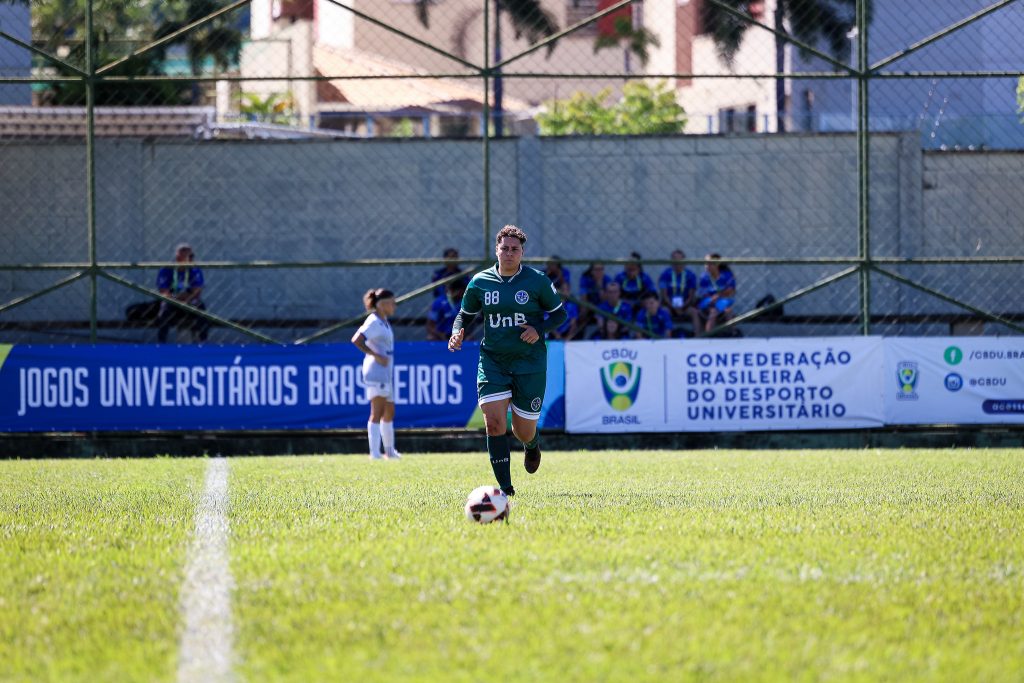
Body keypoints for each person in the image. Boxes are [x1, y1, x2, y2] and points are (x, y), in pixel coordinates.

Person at [449, 225, 567, 498]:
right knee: (493, 423)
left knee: (522, 431)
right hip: (493, 361)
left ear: (522, 252)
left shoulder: (537, 281)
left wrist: (538, 328)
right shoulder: (480, 282)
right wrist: (457, 332)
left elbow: (560, 315)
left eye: (515, 249)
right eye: (505, 248)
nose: (509, 253)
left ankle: (532, 444)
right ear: (496, 250)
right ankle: (505, 490)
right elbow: (463, 315)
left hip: (530, 363)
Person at [352, 288, 401, 460]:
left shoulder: (384, 321)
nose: (395, 305)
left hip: (385, 373)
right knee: (377, 412)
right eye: (392, 302)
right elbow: (357, 339)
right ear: (383, 304)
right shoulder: (373, 321)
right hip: (376, 372)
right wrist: (376, 355)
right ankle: (374, 453)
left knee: (389, 411)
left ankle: (389, 451)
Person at [156, 243, 209, 343]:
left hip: (189, 300)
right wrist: (176, 298)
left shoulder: (194, 269)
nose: (189, 258)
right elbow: (163, 291)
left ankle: (203, 341)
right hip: (172, 301)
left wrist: (187, 298)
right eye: (185, 255)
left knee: (202, 308)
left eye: (190, 256)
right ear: (177, 256)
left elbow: (197, 291)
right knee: (164, 311)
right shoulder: (167, 269)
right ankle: (161, 342)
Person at [689, 253, 737, 334]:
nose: (706, 265)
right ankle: (708, 337)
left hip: (722, 300)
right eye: (705, 263)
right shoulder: (704, 276)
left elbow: (731, 291)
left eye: (709, 263)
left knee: (728, 311)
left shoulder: (727, 275)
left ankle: (734, 334)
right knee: (713, 312)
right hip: (708, 301)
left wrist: (718, 296)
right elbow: (703, 293)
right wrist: (713, 298)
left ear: (717, 264)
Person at [658, 249, 698, 336]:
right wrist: (673, 307)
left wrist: (683, 306)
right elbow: (664, 295)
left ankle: (698, 338)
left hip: (685, 305)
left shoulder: (690, 275)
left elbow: (691, 296)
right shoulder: (665, 274)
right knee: (664, 311)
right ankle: (667, 338)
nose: (677, 263)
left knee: (694, 312)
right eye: (675, 260)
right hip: (669, 305)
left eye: (680, 260)